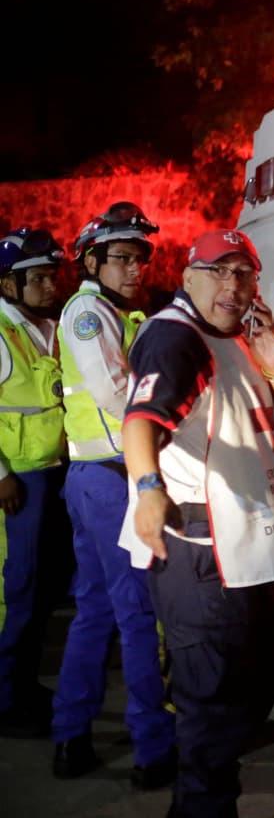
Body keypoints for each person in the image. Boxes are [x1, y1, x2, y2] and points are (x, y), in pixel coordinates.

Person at [119, 229, 274, 818]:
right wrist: (148, 490)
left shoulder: (242, 339)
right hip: (202, 557)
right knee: (213, 709)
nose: (233, 285)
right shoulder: (179, 340)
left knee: (254, 692)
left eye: (243, 273)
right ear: (188, 277)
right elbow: (140, 422)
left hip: (249, 549)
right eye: (218, 270)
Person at [51, 202, 176, 786]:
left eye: (141, 259)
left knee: (96, 610)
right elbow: (116, 392)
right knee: (134, 610)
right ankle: (153, 750)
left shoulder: (120, 313)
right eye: (122, 258)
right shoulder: (87, 312)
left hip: (95, 478)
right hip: (107, 478)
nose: (135, 269)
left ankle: (71, 736)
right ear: (93, 260)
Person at [0, 227, 73, 738]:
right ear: (9, 286)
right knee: (17, 593)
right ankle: (7, 702)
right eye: (39, 278)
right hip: (17, 484)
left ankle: (24, 687)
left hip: (52, 477)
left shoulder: (46, 326)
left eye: (53, 276)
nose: (51, 286)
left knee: (44, 590)